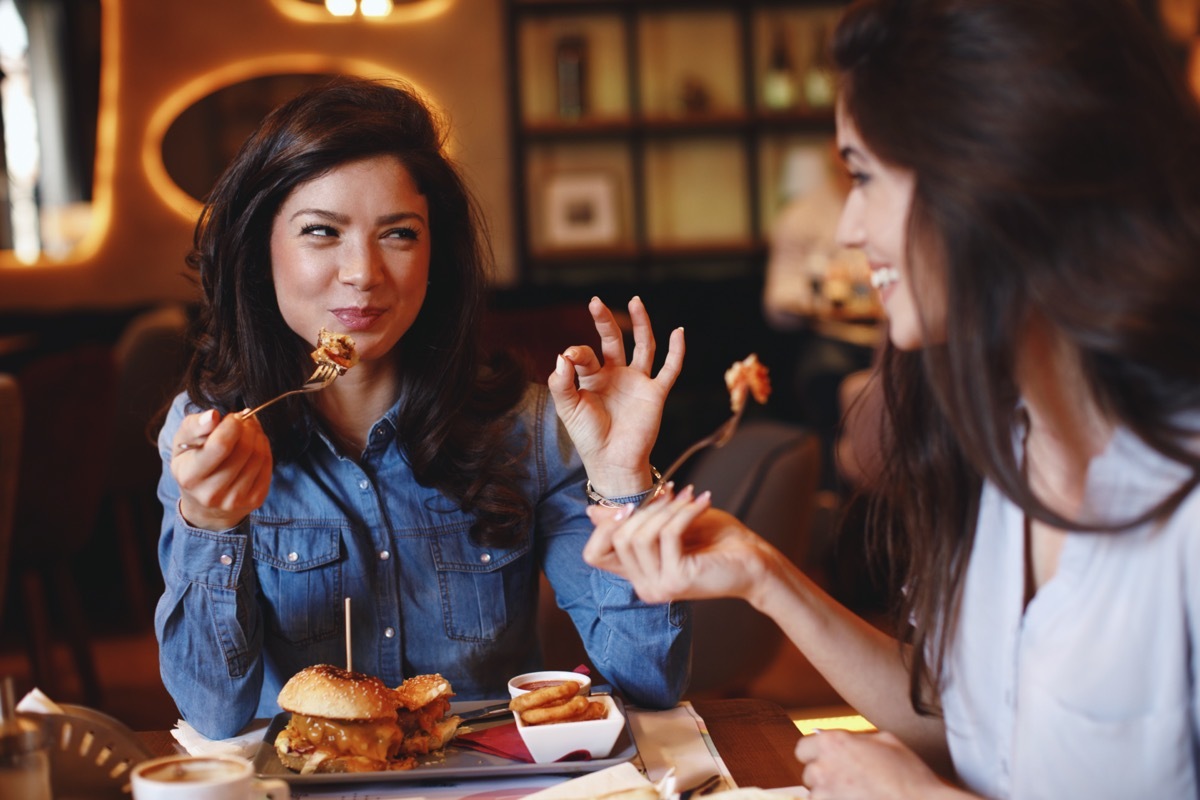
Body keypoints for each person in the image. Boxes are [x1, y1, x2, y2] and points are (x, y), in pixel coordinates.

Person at [579, 1, 1200, 797]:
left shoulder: (1178, 494)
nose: (847, 226)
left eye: (863, 175)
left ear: (994, 175)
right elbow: (975, 733)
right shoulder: (999, 446)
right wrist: (765, 575)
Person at [154, 76, 690, 740]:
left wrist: (622, 478)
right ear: (261, 249)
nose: (363, 272)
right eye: (322, 232)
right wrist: (209, 521)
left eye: (399, 235)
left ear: (436, 256)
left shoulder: (525, 429)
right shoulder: (209, 436)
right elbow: (211, 714)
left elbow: (648, 681)